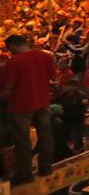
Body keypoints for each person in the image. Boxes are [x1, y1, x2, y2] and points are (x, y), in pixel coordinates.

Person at [0, 34, 55, 183]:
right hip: (42, 101)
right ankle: (46, 166)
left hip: (21, 105)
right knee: (45, 134)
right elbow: (53, 78)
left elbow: (9, 87)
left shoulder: (14, 62)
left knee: (22, 140)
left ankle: (25, 173)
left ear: (12, 46)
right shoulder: (45, 56)